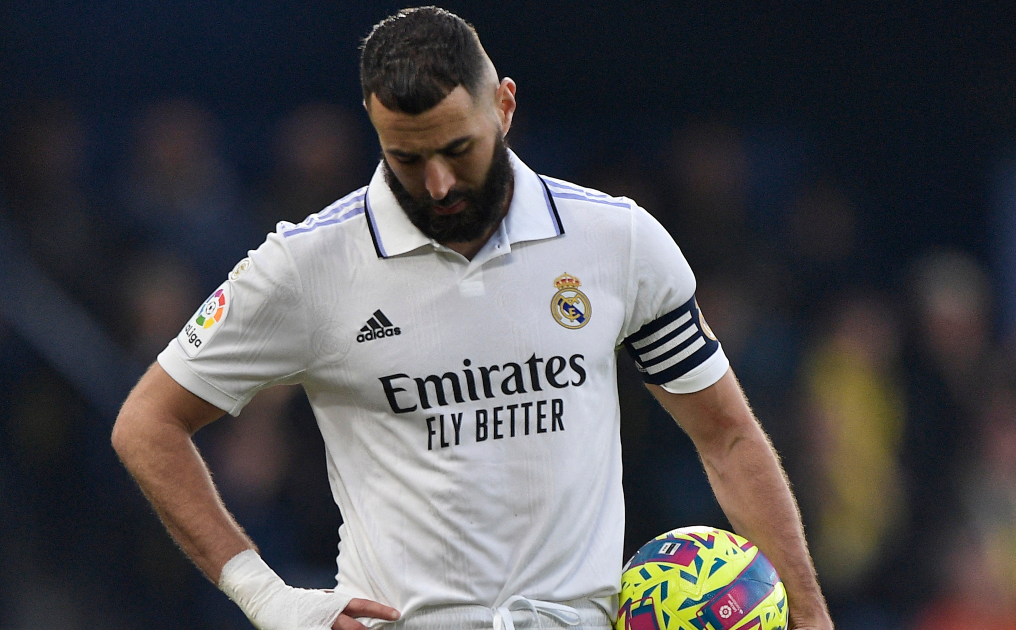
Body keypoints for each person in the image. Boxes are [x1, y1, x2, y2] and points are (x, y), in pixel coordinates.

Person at [111, 7, 833, 630]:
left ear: (505, 107)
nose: (438, 184)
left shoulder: (617, 240)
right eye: (407, 157)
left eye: (459, 149)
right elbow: (147, 423)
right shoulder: (307, 264)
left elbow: (727, 437)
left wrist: (809, 614)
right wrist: (265, 596)